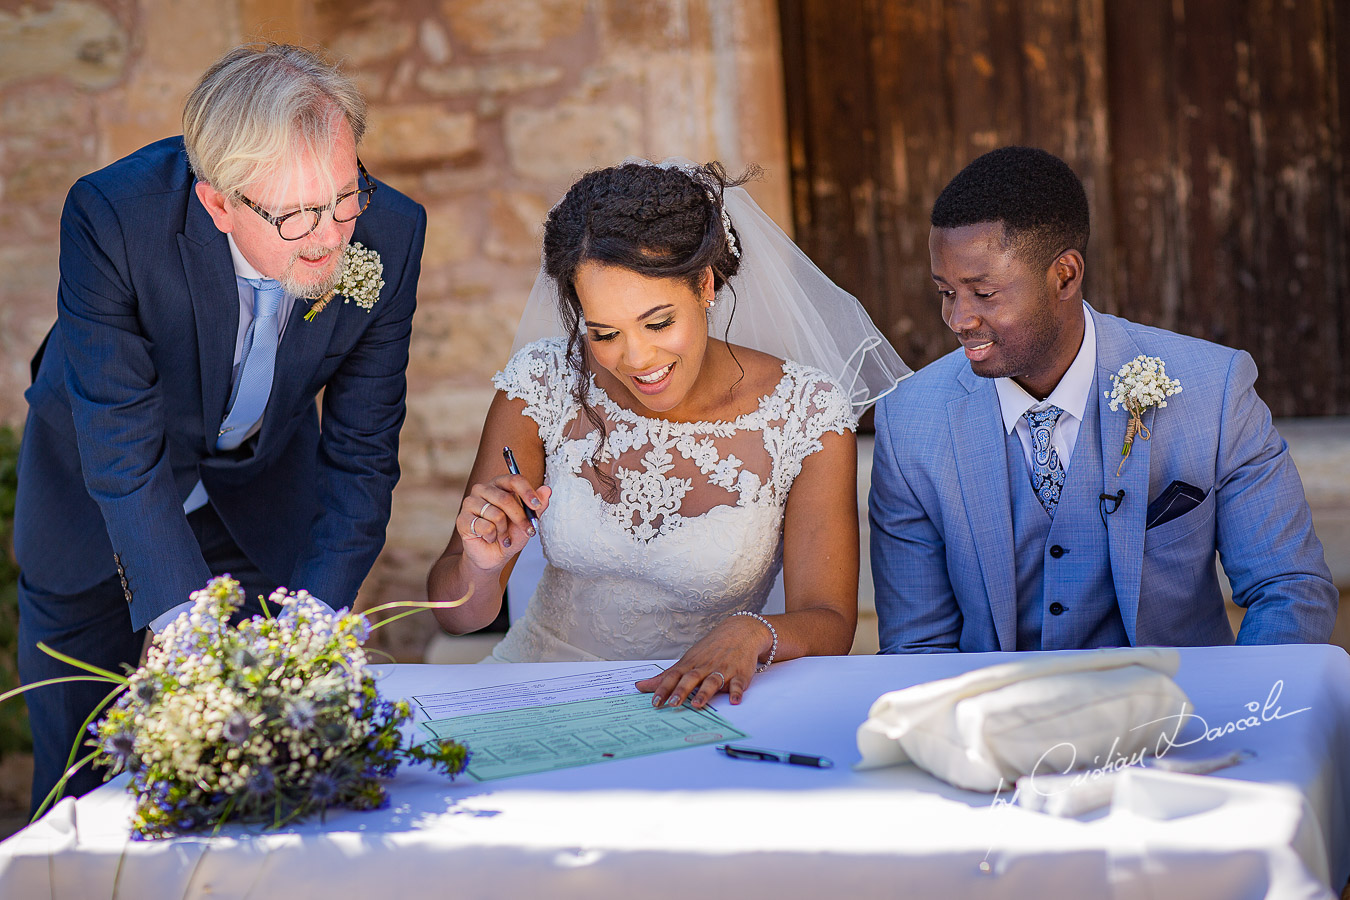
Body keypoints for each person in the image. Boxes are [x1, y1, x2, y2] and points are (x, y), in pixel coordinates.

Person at [14, 44, 426, 810]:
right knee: (83, 785)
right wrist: (183, 628)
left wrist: (315, 623)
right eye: (298, 214)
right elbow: (120, 439)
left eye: (345, 196)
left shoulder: (389, 233)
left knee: (284, 770)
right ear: (219, 204)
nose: (332, 236)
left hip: (261, 502)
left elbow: (363, 451)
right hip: (101, 510)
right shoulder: (113, 218)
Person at [428, 159, 909, 708]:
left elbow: (829, 622)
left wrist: (757, 631)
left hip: (702, 702)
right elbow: (456, 617)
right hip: (540, 692)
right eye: (604, 332)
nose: (636, 359)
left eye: (658, 322)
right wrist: (479, 568)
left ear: (704, 284)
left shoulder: (804, 412)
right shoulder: (541, 386)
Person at [869, 146, 1337, 653]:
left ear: (1064, 275)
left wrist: (1237, 717)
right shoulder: (909, 421)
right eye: (945, 292)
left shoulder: (1214, 388)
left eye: (983, 294)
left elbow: (1289, 587)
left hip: (1180, 722)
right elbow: (916, 645)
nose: (959, 319)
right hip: (998, 723)